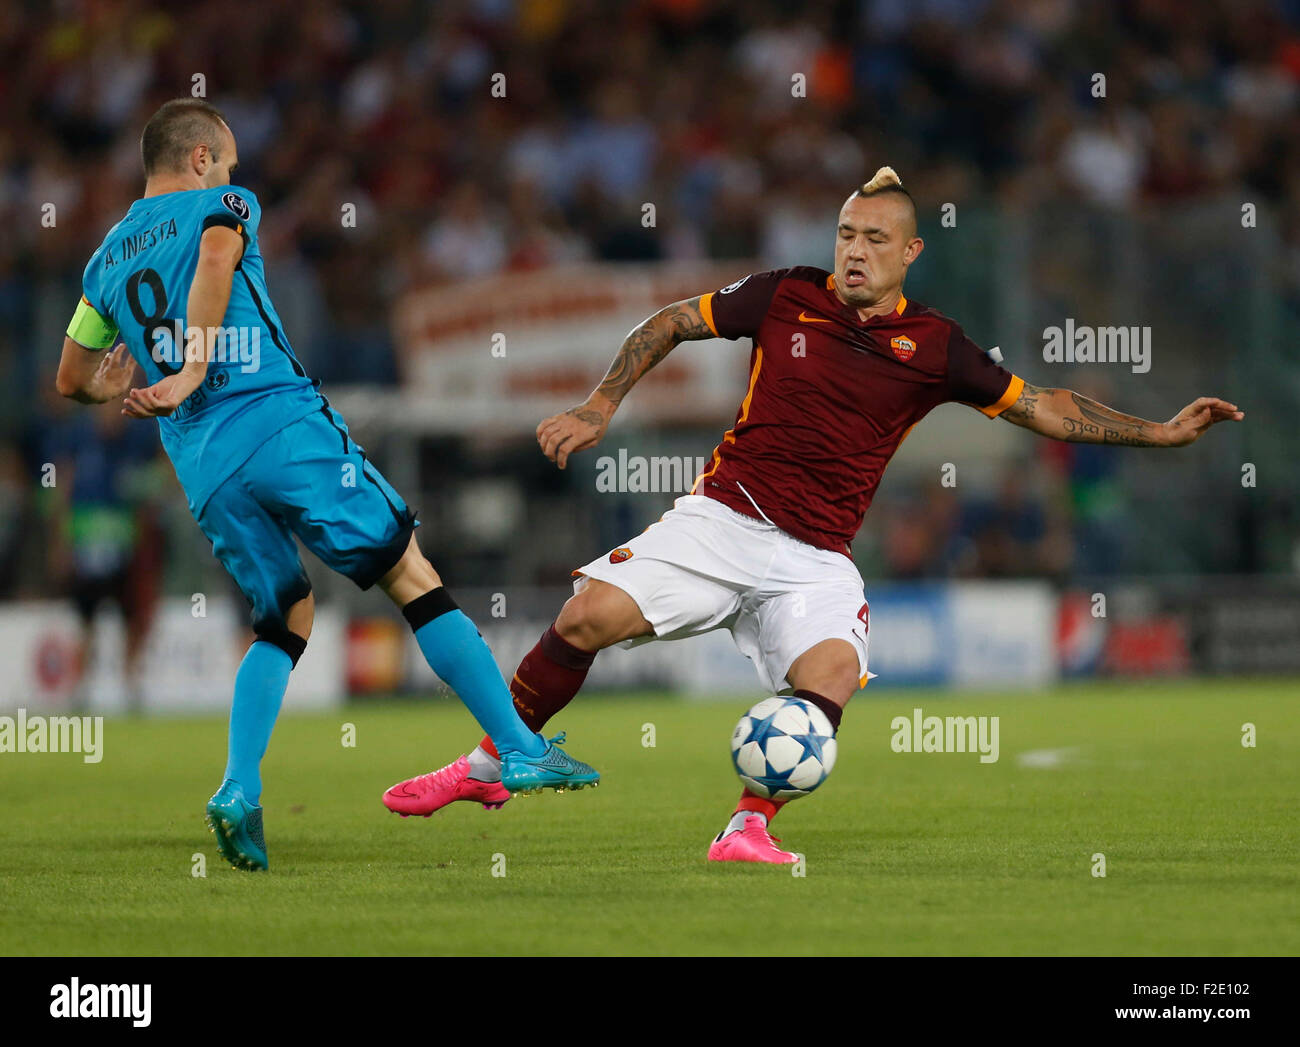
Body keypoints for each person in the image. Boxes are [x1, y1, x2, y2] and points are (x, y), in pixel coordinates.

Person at [383, 166, 1243, 863]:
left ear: (909, 252)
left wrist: (1163, 432)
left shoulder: (937, 348)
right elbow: (671, 321)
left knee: (828, 674)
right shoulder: (785, 294)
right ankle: (494, 761)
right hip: (721, 519)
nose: (854, 250)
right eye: (844, 233)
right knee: (584, 618)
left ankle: (747, 825)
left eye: (874, 238)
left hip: (816, 557)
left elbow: (1046, 406)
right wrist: (601, 406)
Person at [55, 99, 598, 872]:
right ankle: (518, 746)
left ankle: (239, 788)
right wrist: (197, 364)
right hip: (280, 426)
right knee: (410, 571)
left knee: (284, 618)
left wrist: (122, 387)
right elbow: (215, 259)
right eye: (230, 160)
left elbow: (71, 378)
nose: (235, 174)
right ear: (203, 158)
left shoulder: (104, 260)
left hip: (205, 468)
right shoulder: (224, 204)